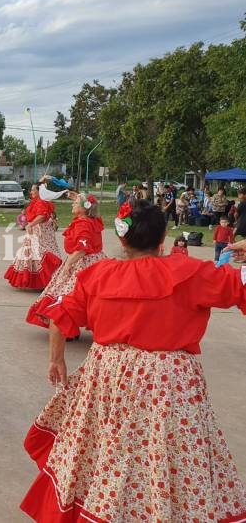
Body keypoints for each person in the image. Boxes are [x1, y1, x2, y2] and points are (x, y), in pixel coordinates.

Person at [20, 199, 246, 522]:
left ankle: (109, 509)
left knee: (110, 450)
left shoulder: (98, 275)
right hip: (170, 382)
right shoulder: (190, 272)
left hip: (110, 377)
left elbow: (59, 316)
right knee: (169, 455)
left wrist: (57, 360)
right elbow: (240, 286)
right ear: (163, 238)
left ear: (122, 239)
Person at [26, 192, 105, 333]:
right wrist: (78, 197)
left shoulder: (84, 223)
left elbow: (82, 248)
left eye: (75, 203)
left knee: (68, 296)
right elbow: (90, 206)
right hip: (95, 261)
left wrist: (68, 264)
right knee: (80, 295)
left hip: (82, 262)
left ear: (85, 208)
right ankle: (70, 327)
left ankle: (64, 327)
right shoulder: (92, 220)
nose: (72, 204)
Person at [4, 183, 62, 289]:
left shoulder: (42, 202)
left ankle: (47, 280)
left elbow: (42, 215)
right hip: (37, 230)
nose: (31, 192)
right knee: (31, 254)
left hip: (39, 231)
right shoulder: (41, 200)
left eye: (33, 190)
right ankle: (39, 281)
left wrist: (30, 224)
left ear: (40, 191)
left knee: (39, 253)